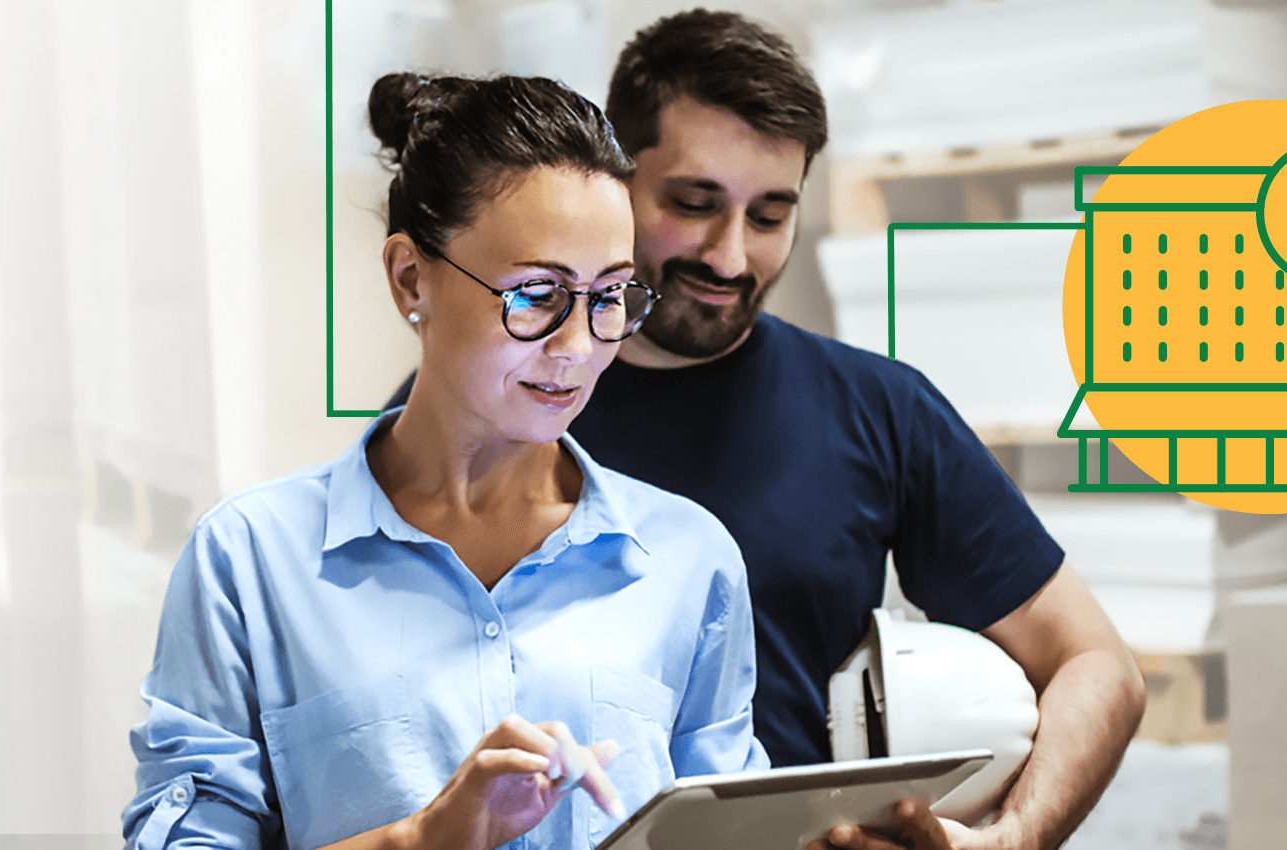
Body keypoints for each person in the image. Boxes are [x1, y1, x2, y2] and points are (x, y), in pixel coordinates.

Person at [387, 11, 1144, 850]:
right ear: (613, 179)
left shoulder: (876, 409)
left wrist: (1018, 838)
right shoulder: (487, 401)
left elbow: (1095, 664)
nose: (729, 256)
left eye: (769, 215)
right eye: (692, 203)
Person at [124, 72, 771, 850]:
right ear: (410, 280)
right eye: (535, 293)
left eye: (609, 296)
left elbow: (733, 830)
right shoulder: (250, 560)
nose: (578, 348)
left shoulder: (687, 560)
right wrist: (424, 839)